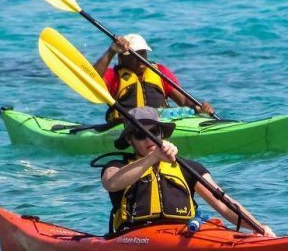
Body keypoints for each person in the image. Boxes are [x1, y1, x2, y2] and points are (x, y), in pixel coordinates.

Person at [96, 106, 274, 237]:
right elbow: (111, 183)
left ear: (161, 133)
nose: (149, 139)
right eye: (141, 135)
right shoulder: (117, 166)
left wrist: (258, 228)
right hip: (136, 237)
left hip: (183, 234)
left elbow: (224, 204)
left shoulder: (188, 168)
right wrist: (153, 157)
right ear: (129, 139)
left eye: (154, 132)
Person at [93, 34, 215, 122]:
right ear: (122, 58)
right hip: (127, 125)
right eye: (135, 54)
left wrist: (199, 106)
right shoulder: (114, 76)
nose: (140, 58)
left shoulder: (160, 72)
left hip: (161, 122)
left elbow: (183, 101)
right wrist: (111, 52)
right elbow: (92, 80)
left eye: (143, 53)